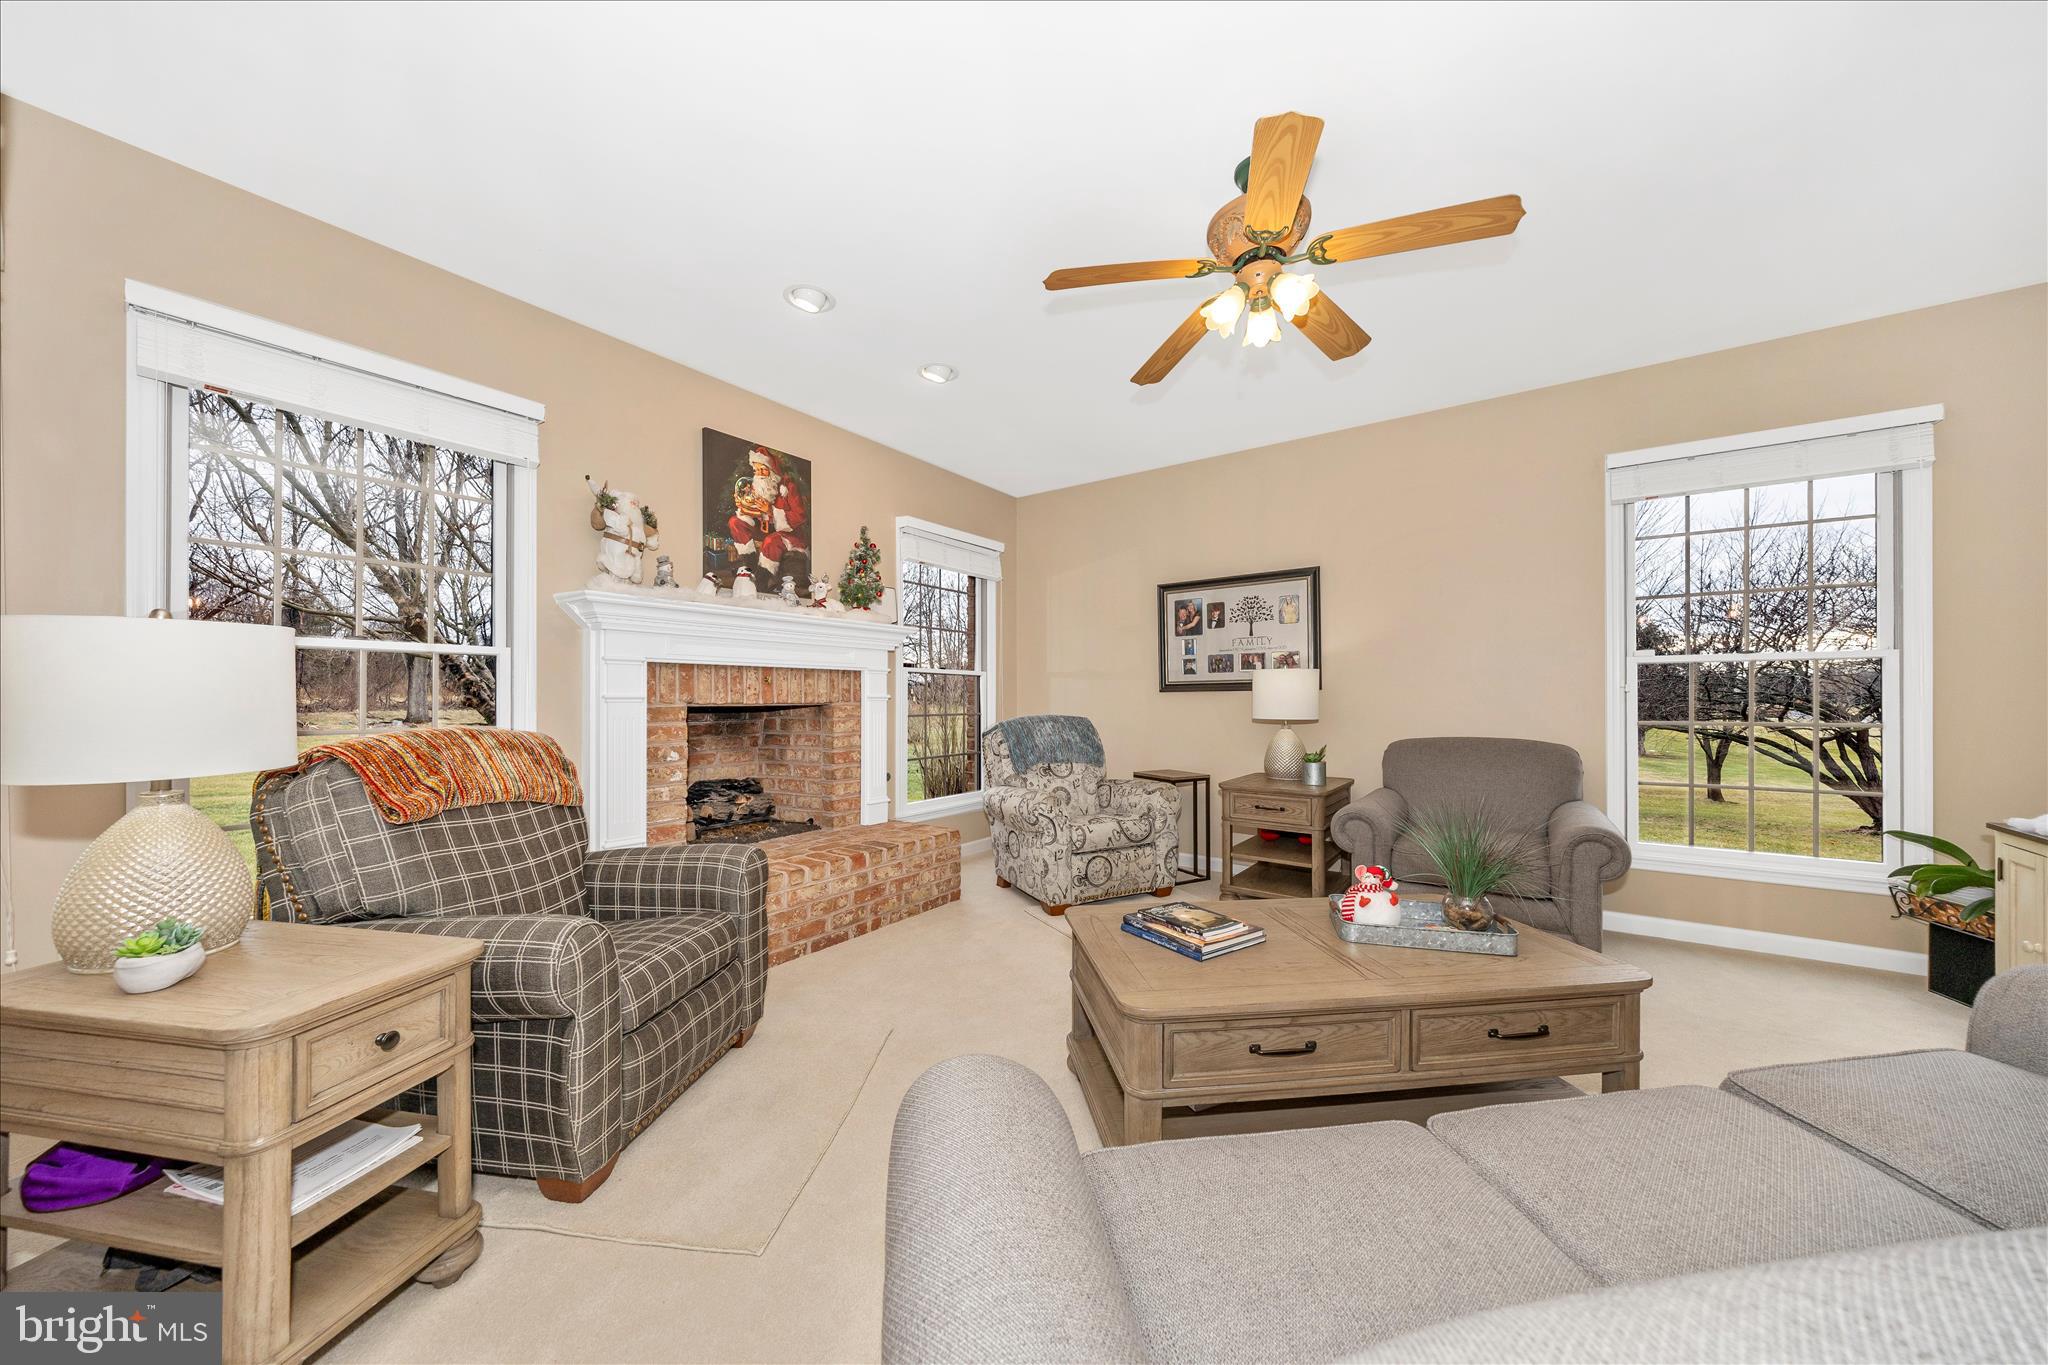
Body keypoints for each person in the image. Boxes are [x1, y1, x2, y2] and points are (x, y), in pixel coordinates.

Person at [727, 446, 808, 578]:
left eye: (763, 470)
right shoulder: (757, 486)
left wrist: (770, 511)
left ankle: (763, 579)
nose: (759, 474)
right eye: (756, 470)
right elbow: (755, 512)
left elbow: (800, 516)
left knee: (771, 541)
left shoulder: (788, 487)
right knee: (735, 522)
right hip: (763, 530)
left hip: (787, 533)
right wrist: (743, 506)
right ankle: (748, 566)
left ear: (772, 471)